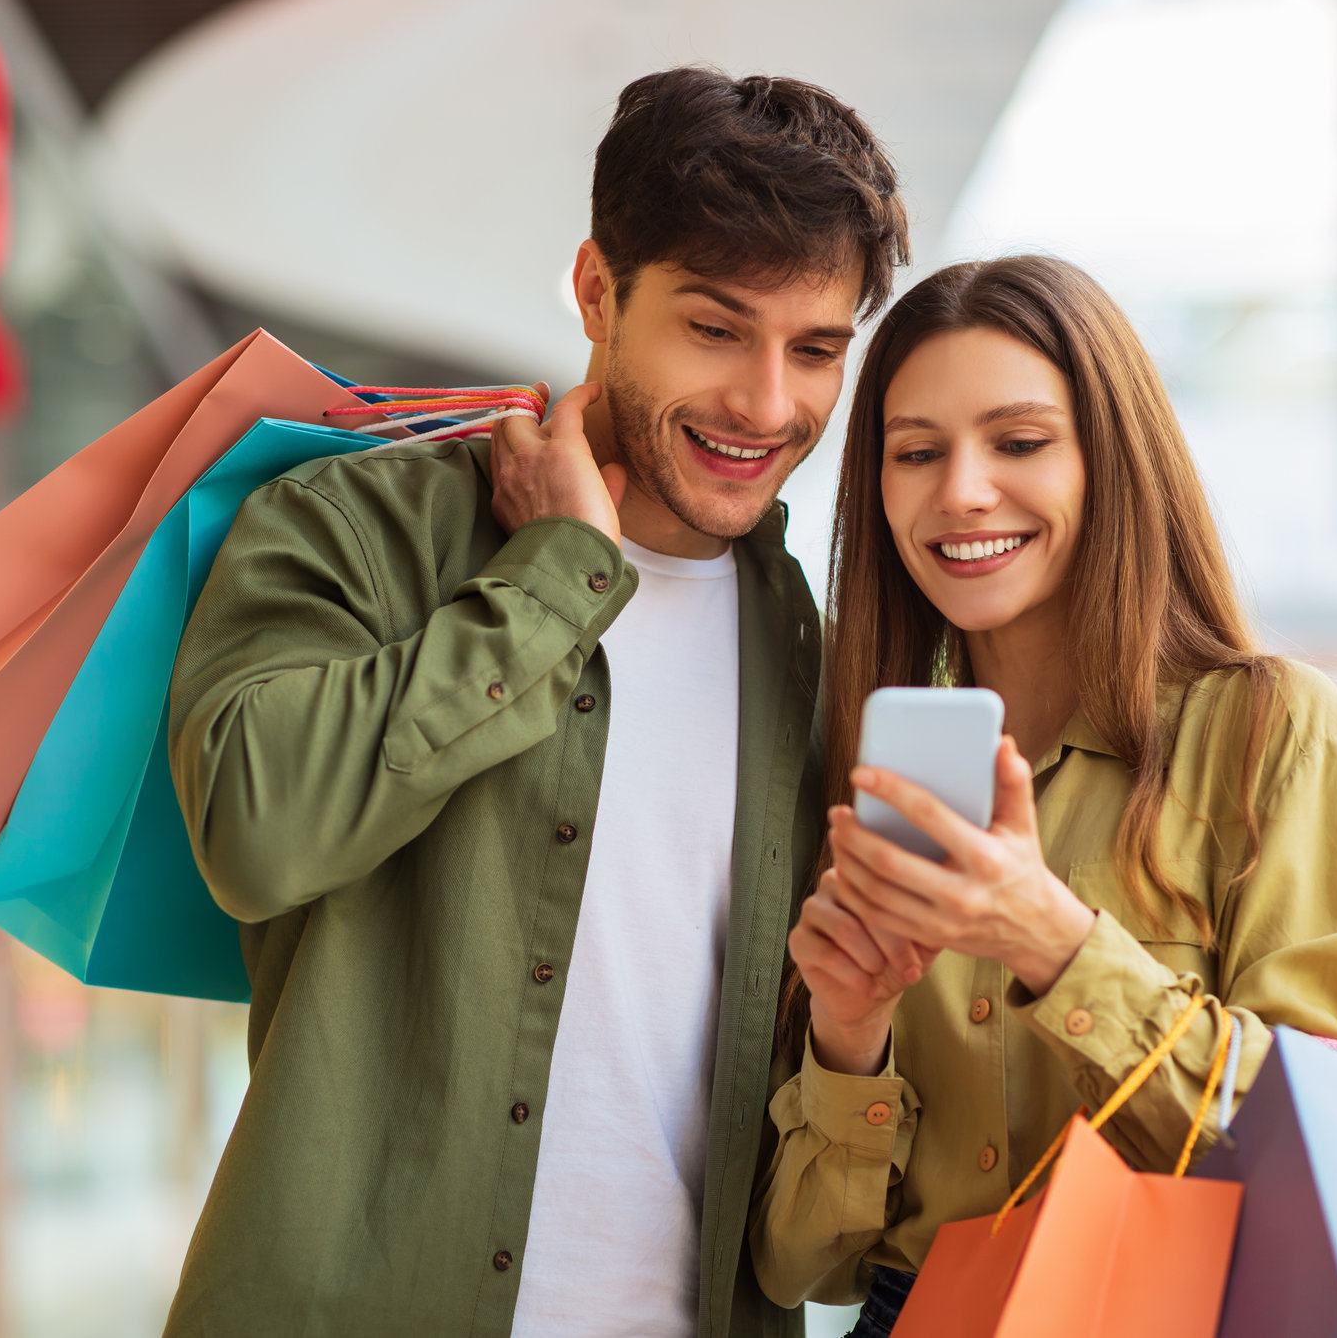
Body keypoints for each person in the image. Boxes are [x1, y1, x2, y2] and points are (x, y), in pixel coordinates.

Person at [164, 68, 908, 1337]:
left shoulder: (814, 660)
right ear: (597, 292)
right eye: (715, 328)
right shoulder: (352, 529)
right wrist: (554, 583)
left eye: (816, 348)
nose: (767, 405)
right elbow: (256, 826)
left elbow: (813, 1196)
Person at [750, 256, 1337, 1334]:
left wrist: (1053, 943)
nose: (960, 491)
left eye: (1018, 443)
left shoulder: (1270, 731)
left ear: (1112, 462)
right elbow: (799, 1266)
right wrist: (850, 1039)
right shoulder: (862, 771)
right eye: (915, 452)